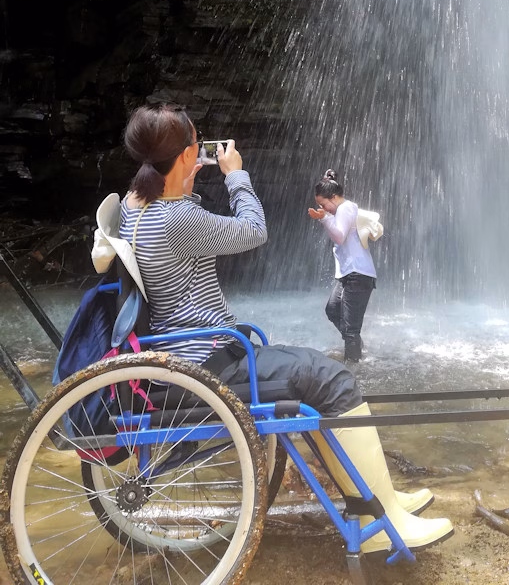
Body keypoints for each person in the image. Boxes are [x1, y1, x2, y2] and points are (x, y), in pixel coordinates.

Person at [118, 100, 451, 552]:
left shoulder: (136, 208)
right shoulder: (178, 218)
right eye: (196, 147)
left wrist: (184, 184)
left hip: (189, 356)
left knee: (314, 373)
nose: (202, 152)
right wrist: (236, 175)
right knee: (332, 378)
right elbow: (254, 230)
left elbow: (178, 230)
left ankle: (378, 496)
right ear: (184, 156)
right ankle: (378, 522)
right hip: (210, 363)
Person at [308, 169, 376, 364]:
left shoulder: (346, 208)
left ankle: (353, 367)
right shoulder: (340, 211)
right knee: (332, 310)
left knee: (351, 327)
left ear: (335, 197)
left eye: (324, 204)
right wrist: (325, 217)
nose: (323, 208)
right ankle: (354, 343)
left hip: (358, 273)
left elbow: (339, 236)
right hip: (348, 274)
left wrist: (324, 218)